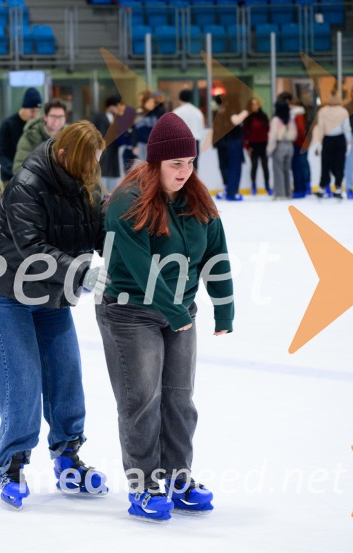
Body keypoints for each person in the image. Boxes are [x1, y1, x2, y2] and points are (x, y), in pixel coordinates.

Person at [96, 113, 233, 522]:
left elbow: (216, 254)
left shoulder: (196, 198)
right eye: (176, 164)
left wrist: (223, 307)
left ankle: (177, 478)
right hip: (129, 310)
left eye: (190, 163)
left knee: (179, 399)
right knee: (141, 400)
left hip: (180, 311)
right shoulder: (127, 201)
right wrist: (176, 313)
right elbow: (141, 269)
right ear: (156, 163)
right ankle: (143, 485)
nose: (185, 171)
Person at [0, 121, 109, 510]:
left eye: (96, 165)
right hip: (5, 296)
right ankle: (12, 464)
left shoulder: (86, 183)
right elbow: (31, 247)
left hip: (50, 298)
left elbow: (102, 229)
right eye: (86, 164)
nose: (92, 173)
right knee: (23, 381)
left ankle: (68, 456)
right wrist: (81, 271)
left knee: (67, 375)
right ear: (65, 154)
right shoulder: (27, 184)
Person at [0, 87, 42, 184]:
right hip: (9, 178)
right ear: (23, 108)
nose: (35, 114)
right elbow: (1, 155)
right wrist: (16, 170)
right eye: (32, 110)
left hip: (32, 179)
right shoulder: (8, 124)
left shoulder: (37, 126)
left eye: (37, 111)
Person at [312, 92, 350, 200]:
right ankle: (337, 188)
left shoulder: (323, 111)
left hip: (328, 139)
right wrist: (349, 142)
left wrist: (318, 143)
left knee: (326, 164)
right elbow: (347, 128)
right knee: (339, 164)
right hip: (339, 139)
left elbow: (320, 127)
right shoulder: (343, 111)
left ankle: (323, 187)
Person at [12, 99, 68, 173]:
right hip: (37, 182)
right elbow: (18, 168)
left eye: (60, 116)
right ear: (45, 117)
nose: (57, 120)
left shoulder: (71, 136)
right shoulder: (31, 135)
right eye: (53, 116)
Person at [214, 91, 248, 201]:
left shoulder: (221, 109)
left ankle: (229, 189)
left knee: (226, 166)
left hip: (224, 142)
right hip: (233, 141)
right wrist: (246, 111)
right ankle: (232, 192)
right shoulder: (231, 108)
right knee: (234, 167)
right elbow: (235, 120)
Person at [92, 94, 127, 192]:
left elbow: (121, 138)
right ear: (112, 106)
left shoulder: (119, 119)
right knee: (100, 188)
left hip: (113, 158)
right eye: (117, 106)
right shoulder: (98, 117)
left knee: (113, 190)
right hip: (101, 156)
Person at [267, 100, 298, 199]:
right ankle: (288, 193)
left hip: (279, 145)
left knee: (278, 170)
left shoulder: (275, 120)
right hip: (290, 146)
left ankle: (280, 194)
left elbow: (272, 136)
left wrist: (269, 150)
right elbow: (295, 134)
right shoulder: (291, 119)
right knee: (286, 170)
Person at [242, 97, 271, 195]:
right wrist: (247, 147)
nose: (255, 106)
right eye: (253, 104)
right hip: (253, 145)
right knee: (254, 166)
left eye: (256, 104)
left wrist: (269, 144)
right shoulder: (248, 118)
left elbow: (268, 130)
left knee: (265, 166)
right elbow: (245, 134)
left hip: (263, 144)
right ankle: (253, 186)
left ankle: (267, 185)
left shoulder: (264, 116)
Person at [172, 90, 205, 170]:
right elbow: (201, 129)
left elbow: (172, 130)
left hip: (180, 141)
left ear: (179, 98)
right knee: (193, 165)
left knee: (180, 165)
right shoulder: (197, 112)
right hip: (194, 141)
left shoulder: (176, 112)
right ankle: (193, 182)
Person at [290, 98, 312, 198]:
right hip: (302, 144)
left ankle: (302, 188)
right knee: (303, 165)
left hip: (299, 144)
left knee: (299, 166)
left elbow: (300, 131)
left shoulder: (297, 115)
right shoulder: (300, 115)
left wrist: (294, 139)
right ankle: (305, 186)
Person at [133, 92, 159, 162]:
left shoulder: (153, 114)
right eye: (150, 102)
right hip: (143, 145)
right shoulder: (139, 114)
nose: (152, 104)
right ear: (145, 102)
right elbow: (137, 131)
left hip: (152, 146)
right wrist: (134, 145)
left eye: (153, 102)